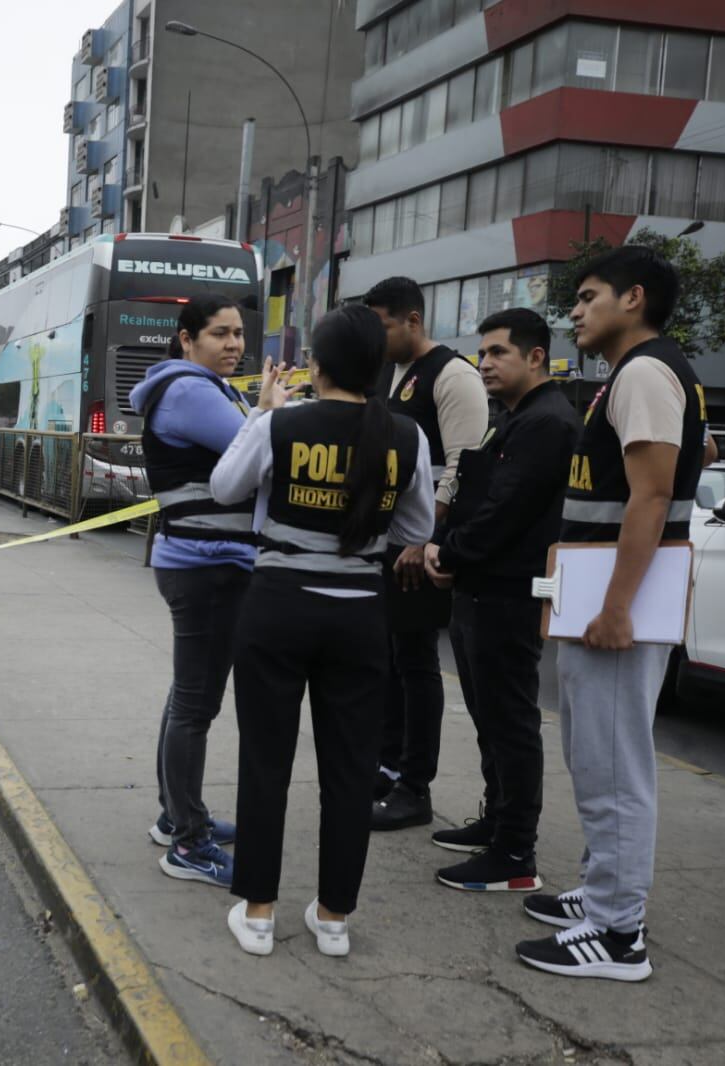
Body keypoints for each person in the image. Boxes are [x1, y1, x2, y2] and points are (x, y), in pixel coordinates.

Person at [211, 305, 435, 957]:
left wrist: (261, 411)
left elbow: (225, 488)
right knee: (351, 768)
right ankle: (334, 918)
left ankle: (258, 912)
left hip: (277, 607)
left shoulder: (281, 424)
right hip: (360, 613)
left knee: (265, 760)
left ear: (317, 364)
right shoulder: (407, 437)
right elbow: (417, 529)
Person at [514, 246, 704, 982]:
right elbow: (683, 458)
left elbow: (651, 495)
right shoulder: (643, 375)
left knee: (615, 766)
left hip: (616, 603)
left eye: (588, 296)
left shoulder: (647, 372)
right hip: (599, 594)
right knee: (595, 755)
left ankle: (618, 932)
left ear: (633, 298)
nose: (575, 311)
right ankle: (602, 891)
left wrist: (617, 606)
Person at [421, 309, 580, 894]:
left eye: (497, 353)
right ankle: (496, 820)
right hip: (480, 589)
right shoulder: (514, 418)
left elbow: (505, 510)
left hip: (509, 595)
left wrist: (448, 551)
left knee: (510, 721)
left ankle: (515, 852)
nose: (484, 363)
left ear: (535, 357)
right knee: (489, 717)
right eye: (482, 353)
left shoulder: (547, 423)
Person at [127, 295, 256, 889]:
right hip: (208, 564)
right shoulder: (189, 392)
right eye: (219, 334)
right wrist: (273, 413)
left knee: (188, 696)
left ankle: (177, 814)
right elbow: (259, 453)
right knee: (196, 705)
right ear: (186, 339)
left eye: (238, 333)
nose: (234, 344)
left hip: (205, 561)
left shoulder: (200, 387)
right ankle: (188, 842)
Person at [363, 277, 489, 831]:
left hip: (423, 544)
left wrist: (424, 537)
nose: (377, 337)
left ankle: (415, 786)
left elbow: (463, 464)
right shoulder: (391, 373)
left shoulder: (453, 375)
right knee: (389, 662)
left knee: (417, 664)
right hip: (389, 543)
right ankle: (387, 767)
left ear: (413, 320)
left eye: (384, 325)